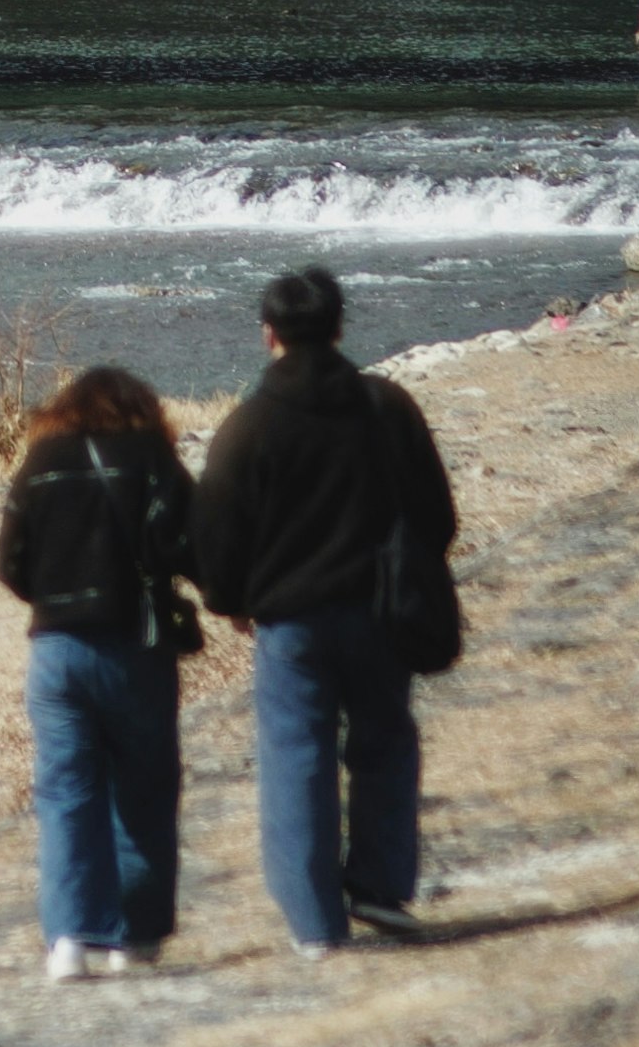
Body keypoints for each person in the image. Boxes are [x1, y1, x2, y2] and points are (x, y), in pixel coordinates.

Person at [192, 262, 458, 951]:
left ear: (267, 334)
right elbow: (437, 515)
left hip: (290, 622)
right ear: (340, 327)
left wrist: (232, 602)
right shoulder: (387, 405)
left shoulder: (247, 427)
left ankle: (315, 923)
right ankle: (380, 886)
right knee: (385, 743)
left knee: (296, 757)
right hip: (378, 611)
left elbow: (217, 534)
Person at [0, 361, 199, 981]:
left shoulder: (40, 462)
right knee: (144, 787)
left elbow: (9, 563)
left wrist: (52, 597)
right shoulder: (153, 460)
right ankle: (132, 938)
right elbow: (189, 544)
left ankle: (67, 938)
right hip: (135, 645)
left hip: (56, 652)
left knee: (64, 793)